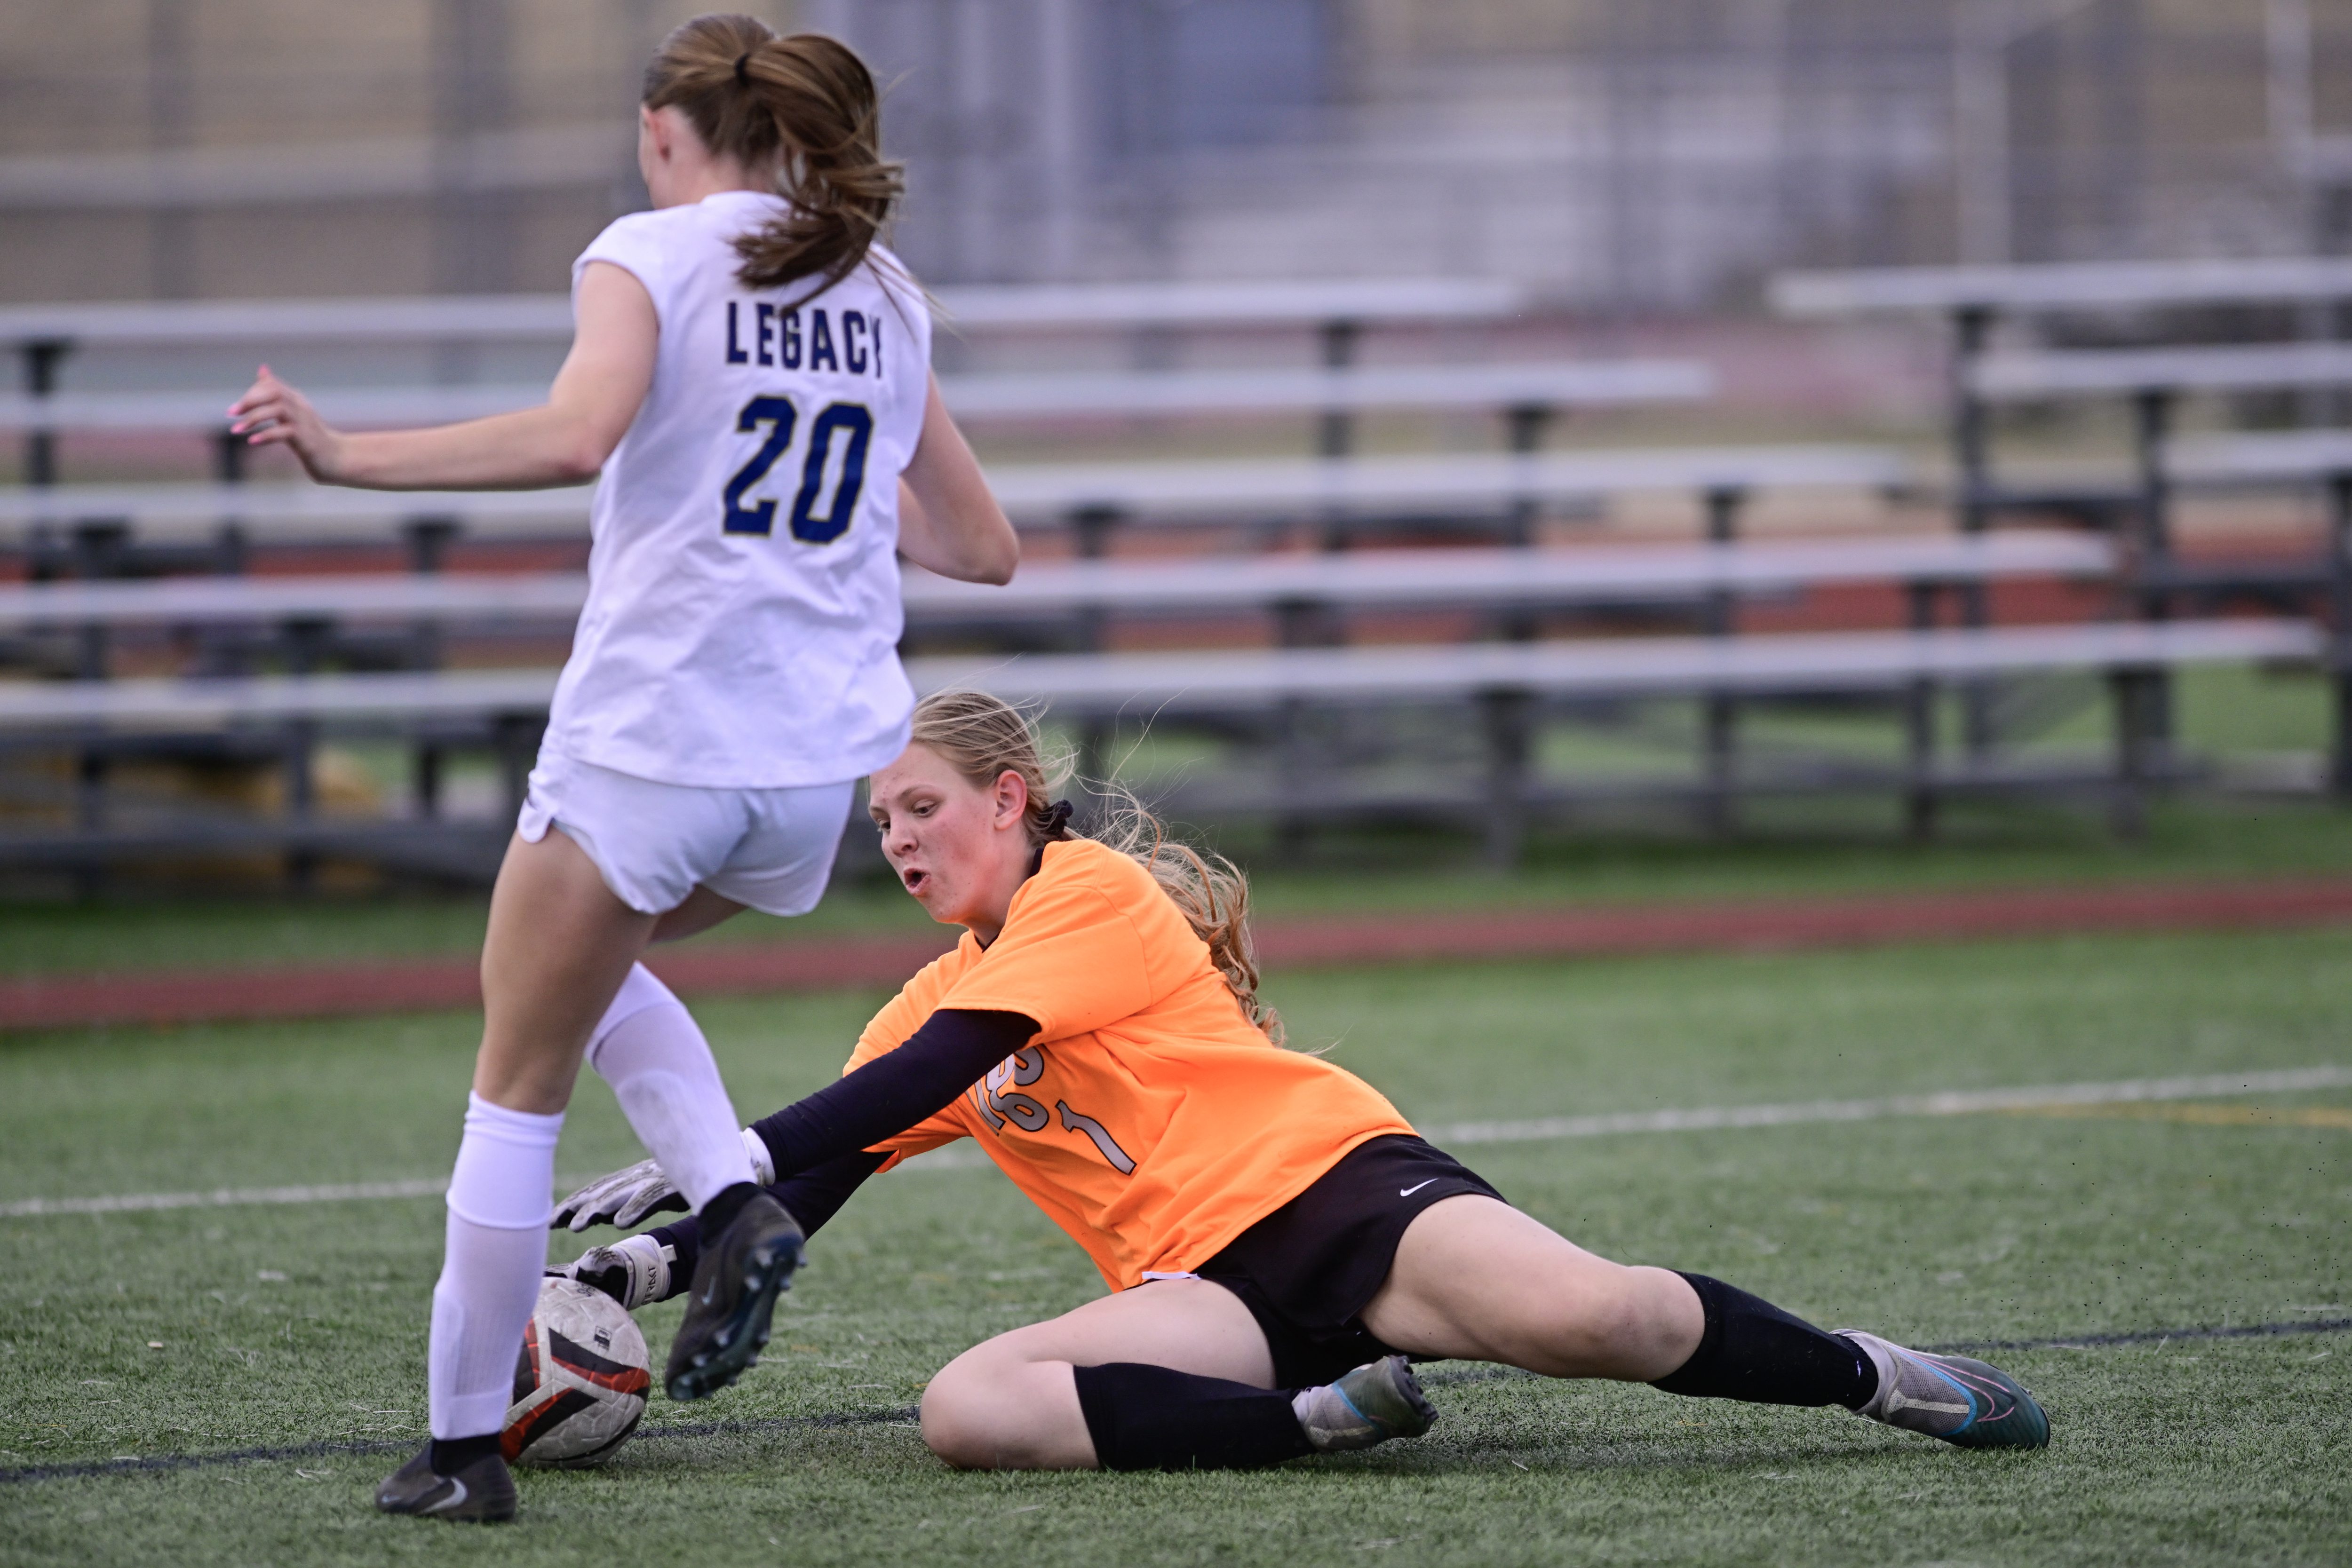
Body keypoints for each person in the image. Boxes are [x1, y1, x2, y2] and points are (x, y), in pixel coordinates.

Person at [227, 16, 1017, 1522]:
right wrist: (822, 509)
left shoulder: (647, 251)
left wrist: (345, 455)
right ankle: (729, 1206)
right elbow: (985, 547)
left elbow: (581, 434)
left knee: (514, 1081)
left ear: (669, 131)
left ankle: (464, 1457)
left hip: (658, 736)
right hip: (811, 777)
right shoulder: (885, 287)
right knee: (595, 979)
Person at [552, 690, 2050, 1474]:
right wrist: (649, 1253)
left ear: (1009, 802)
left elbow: (925, 1082)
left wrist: (725, 1142)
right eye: (880, 819)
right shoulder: (931, 994)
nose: (898, 838)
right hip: (1209, 1294)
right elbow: (818, 1180)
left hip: (1342, 1199)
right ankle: (1326, 1421)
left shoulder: (1085, 896)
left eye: (922, 806)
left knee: (1611, 1319)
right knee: (967, 1409)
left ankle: (1878, 1376)